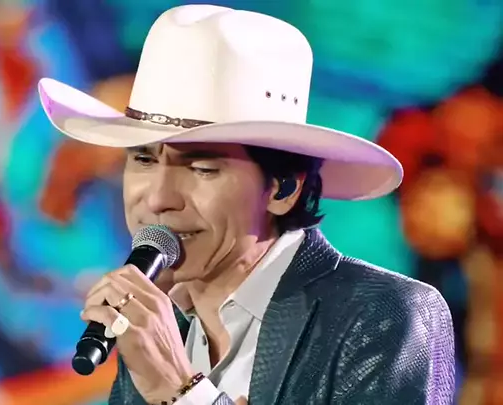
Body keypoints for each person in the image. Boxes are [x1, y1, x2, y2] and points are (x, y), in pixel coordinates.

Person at [38, 4, 455, 405]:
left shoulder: (382, 315)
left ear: (283, 189)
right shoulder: (157, 331)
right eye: (144, 160)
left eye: (201, 168)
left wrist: (180, 390)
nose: (159, 199)